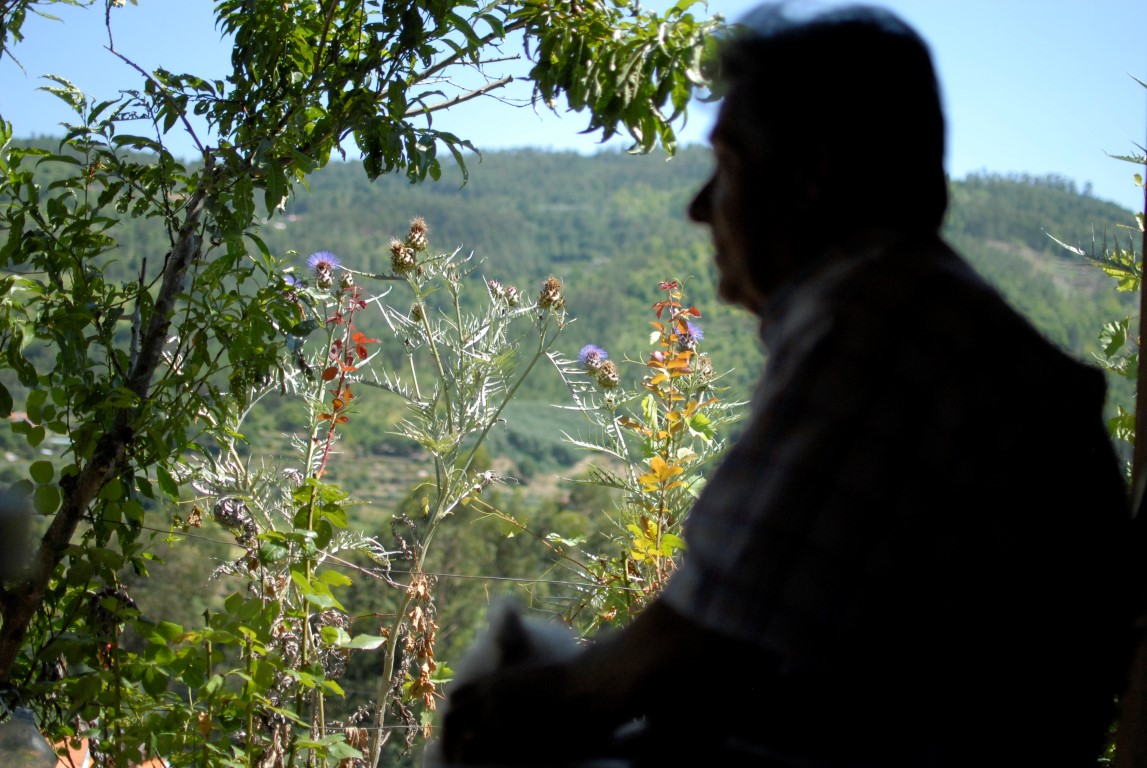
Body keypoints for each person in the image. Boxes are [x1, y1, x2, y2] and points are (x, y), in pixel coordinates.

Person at [437, 3, 1137, 766]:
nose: (699, 207)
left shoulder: (876, 322)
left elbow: (702, 638)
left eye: (728, 167)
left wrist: (525, 703)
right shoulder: (929, 318)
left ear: (810, 177)